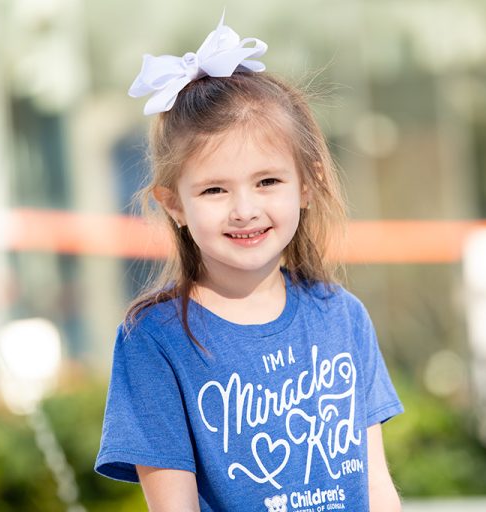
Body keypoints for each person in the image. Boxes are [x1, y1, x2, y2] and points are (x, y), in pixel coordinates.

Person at [95, 13, 403, 512]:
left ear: (307, 183)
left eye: (268, 182)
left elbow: (375, 487)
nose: (244, 209)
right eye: (214, 189)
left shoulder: (342, 317)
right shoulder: (153, 341)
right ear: (174, 204)